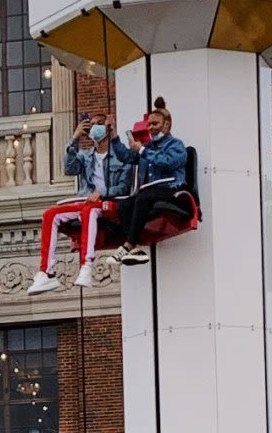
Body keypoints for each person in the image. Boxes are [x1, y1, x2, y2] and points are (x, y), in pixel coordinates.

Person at [29, 118, 128, 294]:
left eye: (98, 123)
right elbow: (69, 168)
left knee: (89, 211)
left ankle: (86, 266)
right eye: (91, 124)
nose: (93, 127)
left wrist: (103, 192)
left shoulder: (120, 155)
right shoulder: (85, 155)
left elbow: (125, 186)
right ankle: (47, 273)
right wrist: (74, 139)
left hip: (110, 203)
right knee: (50, 215)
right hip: (85, 202)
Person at [107, 101, 193, 257]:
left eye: (155, 124)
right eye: (149, 124)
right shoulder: (148, 147)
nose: (151, 128)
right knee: (124, 204)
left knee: (144, 196)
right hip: (151, 193)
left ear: (166, 125)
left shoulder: (176, 145)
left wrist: (142, 150)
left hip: (173, 191)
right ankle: (134, 249)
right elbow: (126, 157)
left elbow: (167, 162)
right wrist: (114, 137)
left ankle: (129, 244)